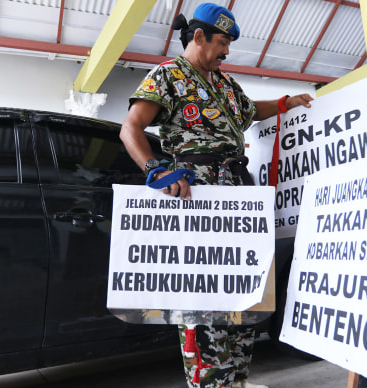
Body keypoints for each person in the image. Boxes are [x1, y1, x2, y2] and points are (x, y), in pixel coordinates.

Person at [119, 3, 313, 388]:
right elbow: (131, 128)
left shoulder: (223, 83)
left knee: (244, 290)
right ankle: (208, 380)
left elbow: (247, 112)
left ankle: (236, 376)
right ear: (199, 37)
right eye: (221, 42)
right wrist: (155, 169)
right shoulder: (168, 76)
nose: (226, 51)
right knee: (204, 296)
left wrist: (283, 104)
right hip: (198, 198)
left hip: (237, 195)